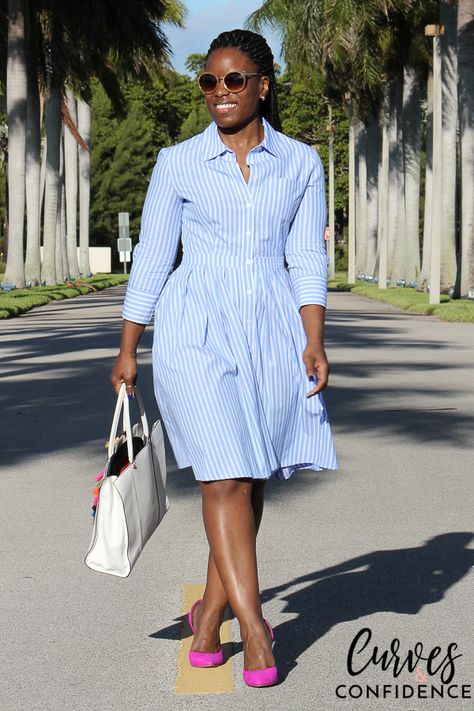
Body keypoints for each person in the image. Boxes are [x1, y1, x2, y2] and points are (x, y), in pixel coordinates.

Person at [111, 28, 337, 688]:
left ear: (262, 85)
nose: (220, 93)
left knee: (249, 473)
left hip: (270, 329)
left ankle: (210, 615)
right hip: (193, 328)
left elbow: (307, 258)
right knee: (221, 476)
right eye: (209, 82)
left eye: (234, 80)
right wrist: (129, 346)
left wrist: (314, 337)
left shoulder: (300, 163)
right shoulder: (179, 162)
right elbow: (153, 256)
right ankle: (257, 626)